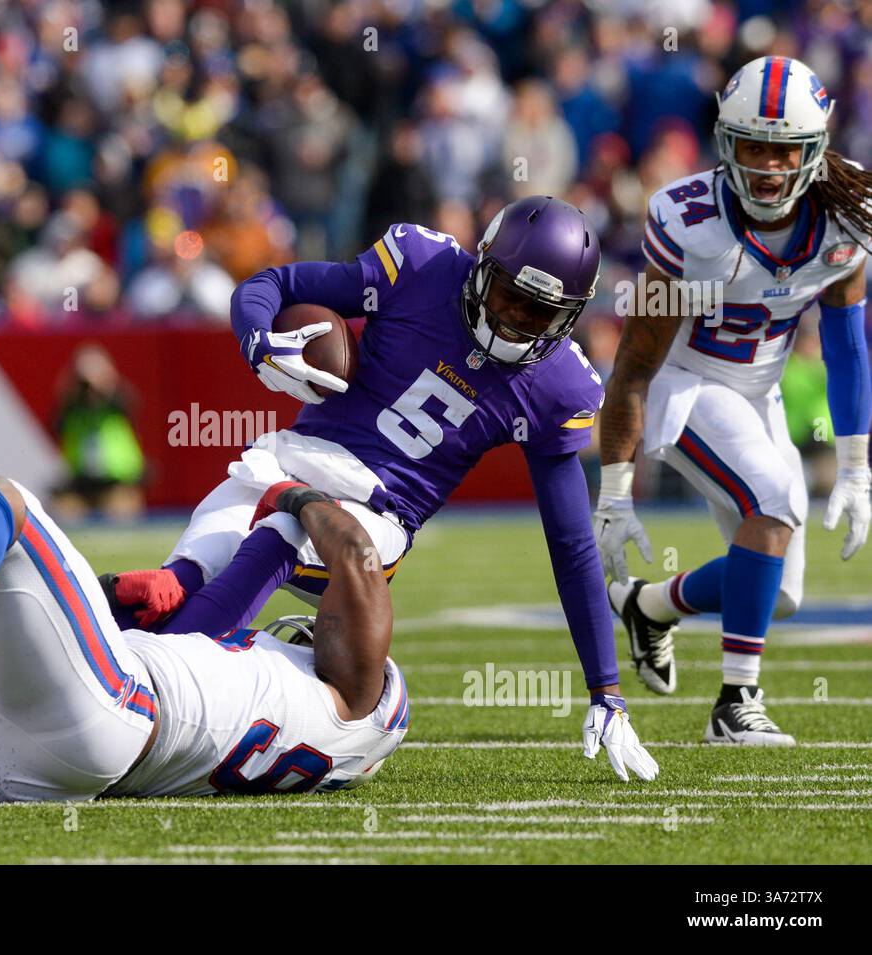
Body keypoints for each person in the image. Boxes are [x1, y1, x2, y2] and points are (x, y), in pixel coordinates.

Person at [0, 473, 658, 804]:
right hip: (67, 753)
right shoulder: (304, 717)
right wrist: (156, 593)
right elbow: (213, 634)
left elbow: (362, 576)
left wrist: (303, 494)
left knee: (2, 500)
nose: (317, 619)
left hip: (113, 712)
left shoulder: (350, 697)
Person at [104, 195, 657, 764]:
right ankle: (85, 652)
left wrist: (606, 690)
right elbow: (270, 284)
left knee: (283, 537)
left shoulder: (559, 386)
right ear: (482, 264)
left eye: (540, 314)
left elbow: (570, 544)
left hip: (377, 515)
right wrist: (260, 345)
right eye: (510, 297)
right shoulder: (420, 266)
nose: (516, 322)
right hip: (291, 460)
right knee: (183, 580)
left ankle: (144, 700)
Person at [594, 57, 872, 745]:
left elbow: (845, 344)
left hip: (760, 390)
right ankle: (735, 702)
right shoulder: (687, 223)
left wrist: (857, 463)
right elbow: (633, 366)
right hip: (682, 383)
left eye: (784, 149)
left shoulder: (847, 216)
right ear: (726, 141)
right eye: (753, 145)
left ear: (814, 150)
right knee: (775, 498)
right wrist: (615, 490)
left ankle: (649, 606)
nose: (769, 166)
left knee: (776, 588)